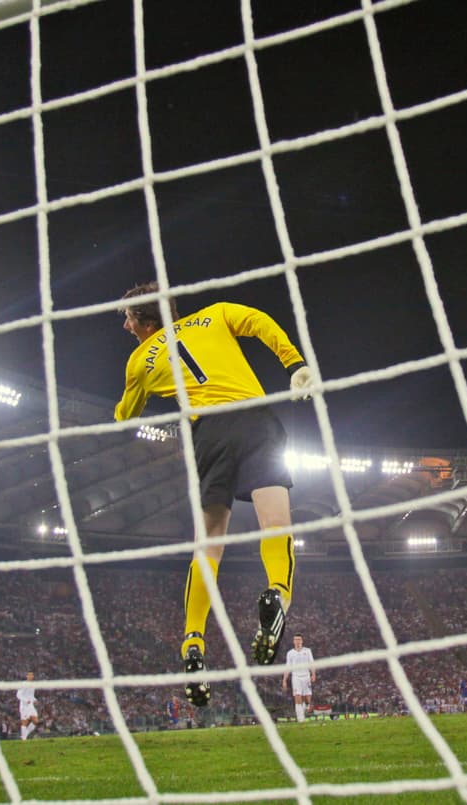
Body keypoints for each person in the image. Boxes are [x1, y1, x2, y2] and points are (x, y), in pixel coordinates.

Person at [114, 282, 315, 706]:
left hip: (210, 436)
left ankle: (193, 643)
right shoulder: (216, 312)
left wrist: (134, 391)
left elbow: (125, 415)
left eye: (128, 319)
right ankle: (277, 593)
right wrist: (293, 363)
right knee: (276, 523)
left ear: (140, 322)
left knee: (209, 545)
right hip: (255, 420)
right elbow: (259, 322)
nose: (126, 326)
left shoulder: (138, 359)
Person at [282, 633, 316, 723]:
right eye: (296, 639)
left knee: (308, 699)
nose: (297, 641)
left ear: (302, 641)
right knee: (297, 696)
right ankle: (300, 718)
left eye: (299, 639)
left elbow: (312, 663)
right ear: (293, 641)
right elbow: (287, 667)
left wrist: (313, 674)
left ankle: (305, 708)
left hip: (306, 676)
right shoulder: (290, 653)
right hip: (296, 677)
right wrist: (284, 680)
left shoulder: (307, 651)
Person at [17, 672, 39, 740]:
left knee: (36, 721)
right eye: (29, 675)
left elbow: (31, 695)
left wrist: (35, 700)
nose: (30, 676)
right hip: (24, 706)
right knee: (25, 722)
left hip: (31, 706)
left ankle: (24, 734)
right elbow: (18, 695)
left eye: (32, 675)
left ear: (33, 676)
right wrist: (26, 700)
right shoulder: (23, 684)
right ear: (26, 676)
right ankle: (24, 738)